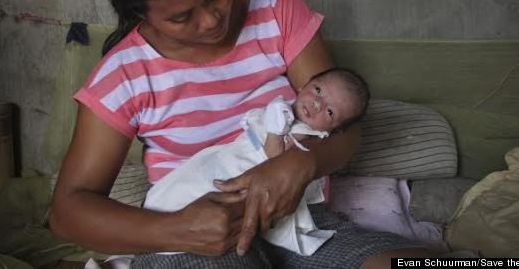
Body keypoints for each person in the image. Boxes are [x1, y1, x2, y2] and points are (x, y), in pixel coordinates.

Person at [49, 0, 436, 268]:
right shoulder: (124, 74)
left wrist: (303, 162)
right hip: (191, 241)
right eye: (183, 17)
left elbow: (347, 131)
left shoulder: (277, 12)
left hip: (298, 222)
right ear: (139, 12)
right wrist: (178, 229)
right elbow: (68, 212)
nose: (212, 19)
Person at [143, 68, 370, 256]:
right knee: (181, 187)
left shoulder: (308, 135)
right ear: (304, 84)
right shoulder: (283, 108)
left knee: (201, 206)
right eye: (318, 90)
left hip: (254, 184)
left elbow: (274, 163)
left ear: (334, 131)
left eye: (330, 112)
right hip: (227, 159)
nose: (317, 104)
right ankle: (148, 231)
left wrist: (275, 132)